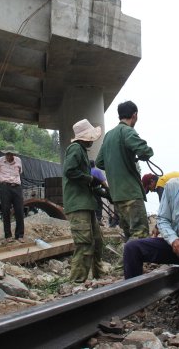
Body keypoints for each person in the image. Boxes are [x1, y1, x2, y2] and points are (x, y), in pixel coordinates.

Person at [96, 101, 154, 241]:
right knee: (140, 235)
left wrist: (117, 163)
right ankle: (123, 264)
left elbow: (99, 162)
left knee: (129, 236)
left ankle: (129, 263)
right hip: (131, 194)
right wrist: (142, 154)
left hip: (117, 196)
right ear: (134, 115)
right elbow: (145, 151)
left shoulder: (109, 135)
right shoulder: (127, 131)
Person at [63, 119, 106, 282]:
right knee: (84, 244)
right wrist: (90, 179)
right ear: (86, 137)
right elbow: (70, 171)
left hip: (86, 203)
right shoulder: (75, 148)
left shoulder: (81, 151)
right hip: (78, 205)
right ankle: (76, 283)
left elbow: (87, 182)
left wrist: (104, 193)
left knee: (97, 241)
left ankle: (98, 276)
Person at [0, 148, 24, 242]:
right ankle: (8, 236)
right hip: (5, 187)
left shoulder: (18, 160)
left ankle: (20, 235)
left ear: (13, 154)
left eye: (11, 154)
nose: (9, 156)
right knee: (5, 211)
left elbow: (20, 172)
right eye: (7, 154)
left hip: (17, 186)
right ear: (5, 154)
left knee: (19, 211)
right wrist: (1, 179)